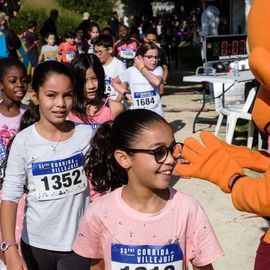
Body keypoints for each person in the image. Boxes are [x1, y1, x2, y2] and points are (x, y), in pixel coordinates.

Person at [72, 109, 223, 270]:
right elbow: (97, 265)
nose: (171, 160)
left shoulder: (188, 209)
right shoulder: (99, 212)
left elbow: (203, 266)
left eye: (172, 149)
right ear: (124, 158)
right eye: (159, 152)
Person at [0, 61, 93, 270]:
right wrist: (10, 249)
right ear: (35, 96)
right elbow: (10, 195)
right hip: (35, 246)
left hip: (78, 245)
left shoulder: (87, 135)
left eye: (67, 95)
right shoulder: (23, 141)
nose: (61, 103)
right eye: (51, 95)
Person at [68, 53, 125, 129]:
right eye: (84, 81)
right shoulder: (67, 110)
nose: (91, 86)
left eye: (94, 78)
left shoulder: (116, 109)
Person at [112, 42, 164, 116]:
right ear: (140, 57)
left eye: (156, 57)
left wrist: (141, 68)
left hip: (155, 114)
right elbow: (114, 82)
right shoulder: (131, 71)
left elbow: (157, 82)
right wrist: (126, 93)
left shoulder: (158, 69)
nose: (154, 60)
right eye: (149, 57)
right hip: (138, 114)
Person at [93, 34, 126, 100]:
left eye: (100, 52)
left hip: (115, 103)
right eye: (95, 52)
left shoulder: (119, 65)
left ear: (110, 50)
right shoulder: (94, 65)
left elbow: (124, 86)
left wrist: (116, 103)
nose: (97, 55)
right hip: (100, 104)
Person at [144, 28, 169, 96]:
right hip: (143, 81)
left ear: (157, 40)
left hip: (157, 81)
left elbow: (165, 69)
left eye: (154, 40)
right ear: (145, 39)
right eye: (149, 40)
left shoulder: (162, 51)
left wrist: (162, 82)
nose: (151, 42)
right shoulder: (140, 51)